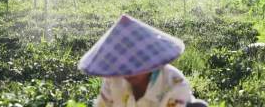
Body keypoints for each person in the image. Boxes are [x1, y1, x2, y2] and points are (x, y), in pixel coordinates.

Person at [78, 14, 208, 107]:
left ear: (150, 61)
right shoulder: (113, 80)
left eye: (135, 66)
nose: (128, 73)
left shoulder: (174, 84)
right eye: (123, 67)